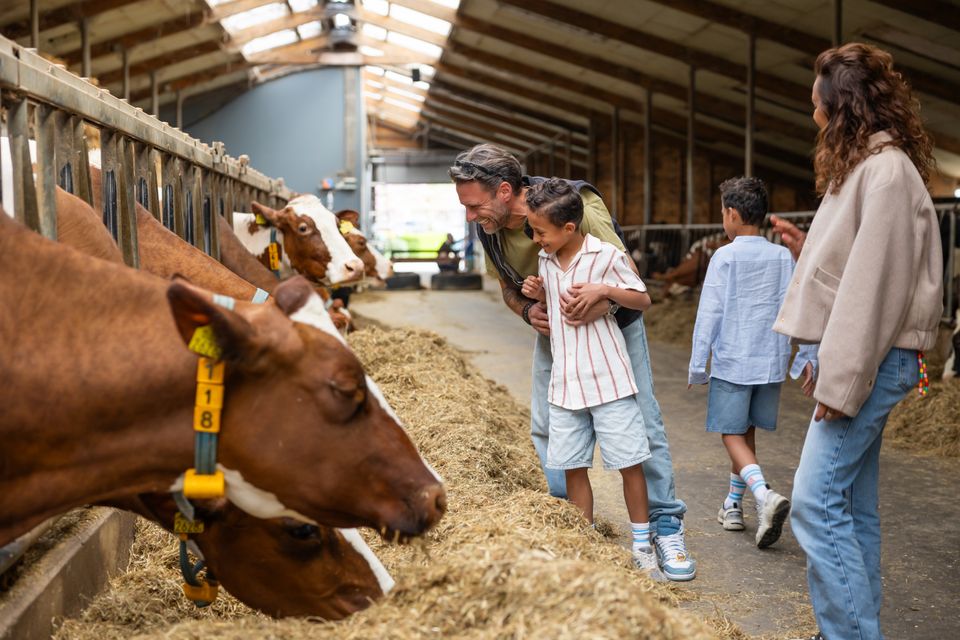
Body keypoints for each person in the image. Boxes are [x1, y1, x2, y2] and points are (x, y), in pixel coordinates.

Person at [449, 144, 695, 582]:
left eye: (474, 205)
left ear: (505, 190)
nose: (470, 216)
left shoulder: (571, 202)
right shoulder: (491, 229)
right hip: (556, 333)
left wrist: (603, 301)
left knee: (641, 423)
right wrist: (528, 311)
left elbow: (622, 274)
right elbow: (509, 287)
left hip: (613, 329)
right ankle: (570, 525)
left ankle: (663, 526)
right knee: (546, 425)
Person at [771, 43, 942, 640]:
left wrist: (842, 381)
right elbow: (856, 268)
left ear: (840, 107)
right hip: (872, 354)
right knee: (851, 507)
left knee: (815, 505)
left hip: (871, 357)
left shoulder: (886, 173)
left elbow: (874, 292)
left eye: (817, 102)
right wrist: (805, 252)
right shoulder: (871, 168)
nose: (812, 113)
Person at [519, 179, 660, 576]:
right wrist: (536, 292)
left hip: (609, 381)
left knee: (629, 464)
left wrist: (604, 290)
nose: (534, 239)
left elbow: (643, 298)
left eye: (540, 232)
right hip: (565, 385)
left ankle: (642, 545)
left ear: (568, 228)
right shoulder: (546, 262)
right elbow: (555, 305)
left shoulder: (604, 255)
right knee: (573, 467)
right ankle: (583, 549)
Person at [688, 176, 817, 549]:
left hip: (734, 360)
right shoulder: (781, 256)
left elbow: (708, 311)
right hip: (770, 362)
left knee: (730, 434)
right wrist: (807, 355)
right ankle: (733, 504)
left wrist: (699, 364)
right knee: (746, 433)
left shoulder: (724, 256)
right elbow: (797, 308)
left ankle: (764, 496)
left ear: (731, 214)